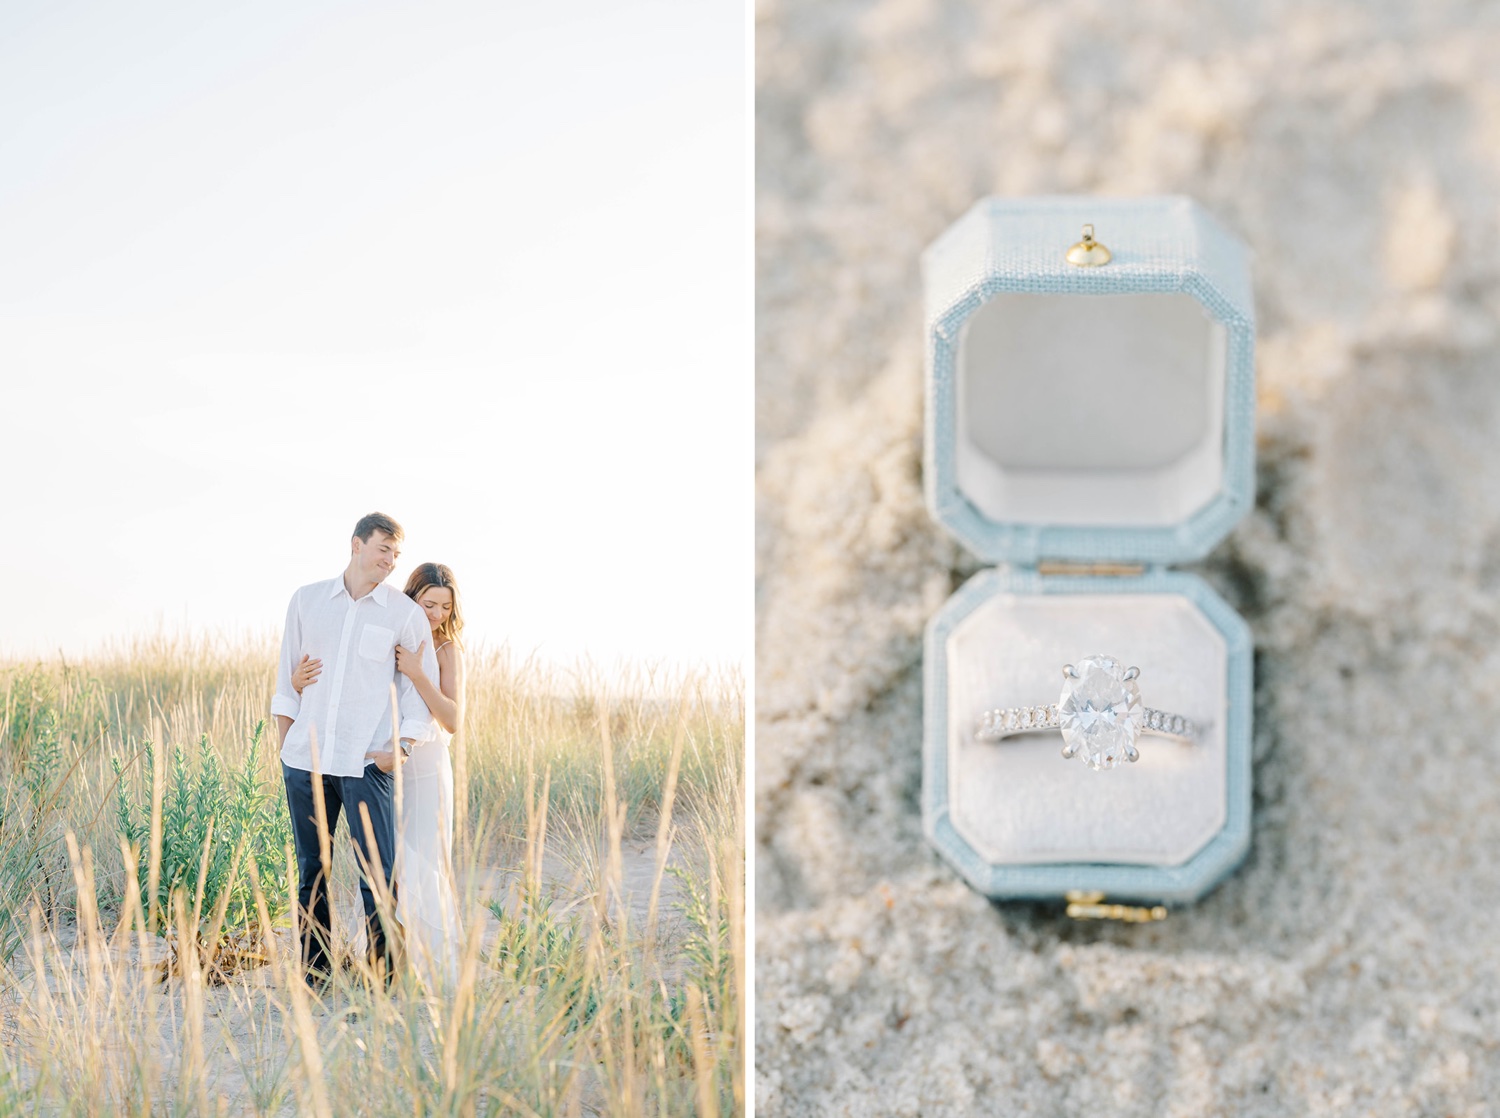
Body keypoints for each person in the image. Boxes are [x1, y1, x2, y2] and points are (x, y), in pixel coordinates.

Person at [271, 512, 440, 990]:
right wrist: (287, 745)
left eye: (396, 554)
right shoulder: (307, 601)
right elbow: (286, 678)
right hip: (307, 761)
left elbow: (413, 693)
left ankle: (383, 979)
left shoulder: (403, 615)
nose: (389, 561)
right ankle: (314, 974)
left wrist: (400, 749)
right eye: (383, 549)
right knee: (312, 873)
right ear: (356, 545)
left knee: (379, 875)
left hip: (369, 763)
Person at [293, 561, 466, 987]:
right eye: (428, 604)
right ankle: (387, 959)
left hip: (423, 764)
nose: (436, 615)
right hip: (377, 761)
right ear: (412, 599)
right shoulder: (392, 628)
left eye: (445, 607)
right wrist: (297, 683)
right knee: (385, 864)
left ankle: (427, 967)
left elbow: (452, 719)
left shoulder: (447, 648)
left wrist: (416, 672)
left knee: (420, 861)